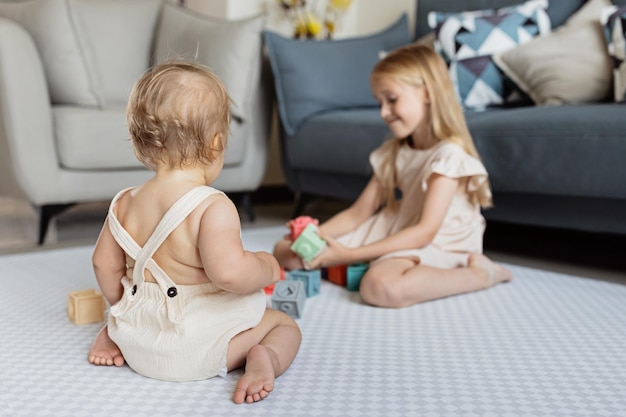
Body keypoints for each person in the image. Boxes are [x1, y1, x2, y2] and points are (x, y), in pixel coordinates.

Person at [87, 61, 301, 404]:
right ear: (215, 145)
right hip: (196, 350)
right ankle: (264, 360)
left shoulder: (123, 202)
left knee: (123, 315)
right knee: (283, 325)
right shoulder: (211, 206)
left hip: (139, 345)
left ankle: (117, 333)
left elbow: (102, 264)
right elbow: (230, 273)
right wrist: (267, 265)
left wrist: (127, 310)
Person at [273, 44, 512, 308]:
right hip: (399, 224)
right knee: (286, 252)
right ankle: (370, 259)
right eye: (380, 103)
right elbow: (358, 213)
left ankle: (479, 274)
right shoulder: (394, 153)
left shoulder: (449, 157)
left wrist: (349, 254)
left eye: (392, 99)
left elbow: (425, 233)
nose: (384, 112)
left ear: (427, 93)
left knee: (380, 287)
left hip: (438, 239)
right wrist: (311, 235)